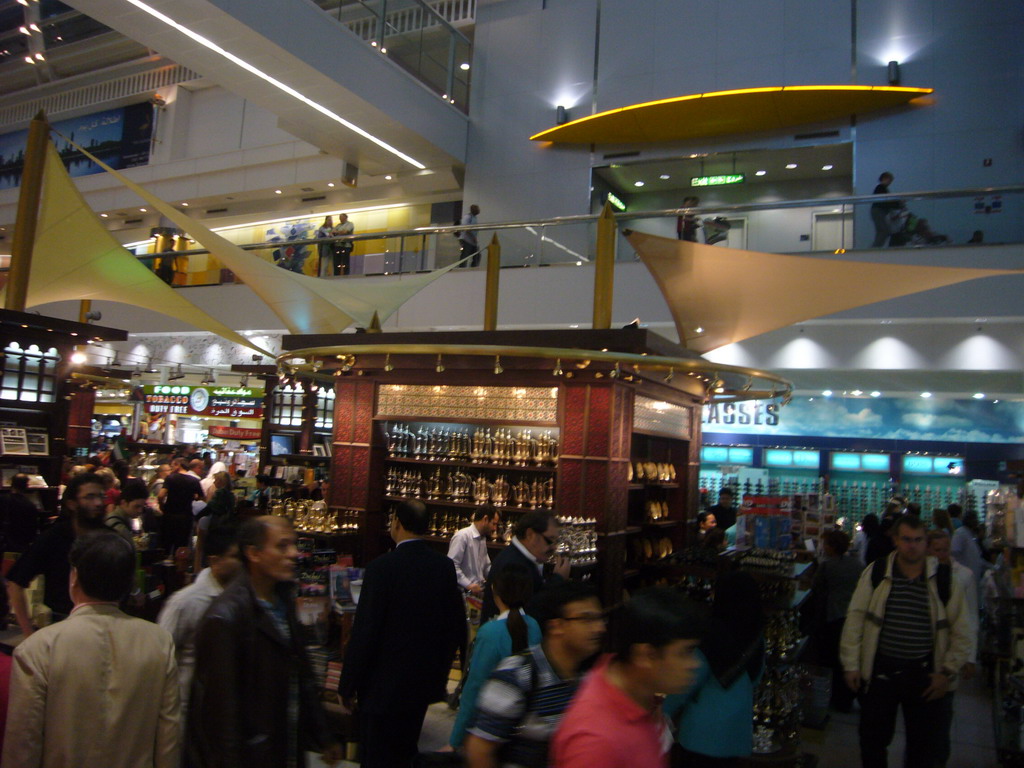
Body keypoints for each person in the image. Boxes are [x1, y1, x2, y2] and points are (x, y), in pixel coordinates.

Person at [2, 531, 180, 768]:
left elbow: (22, 748)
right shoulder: (159, 642)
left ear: (74, 577)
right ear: (129, 583)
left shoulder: (38, 648)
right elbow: (169, 741)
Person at [188, 516, 341, 768]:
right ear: (254, 554)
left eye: (293, 545)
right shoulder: (225, 616)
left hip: (283, 746)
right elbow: (220, 712)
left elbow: (301, 675)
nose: (293, 554)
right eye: (282, 546)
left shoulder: (283, 600)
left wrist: (323, 735)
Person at [339, 499, 466, 768]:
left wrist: (348, 683)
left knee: (376, 754)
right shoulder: (442, 567)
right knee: (406, 750)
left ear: (397, 523)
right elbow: (452, 625)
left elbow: (366, 631)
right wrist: (440, 675)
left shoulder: (381, 569)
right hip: (420, 683)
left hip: (381, 686)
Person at [840, 515, 973, 768]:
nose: (912, 546)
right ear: (896, 540)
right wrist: (851, 664)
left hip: (923, 675)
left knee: (922, 749)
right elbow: (855, 618)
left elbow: (961, 630)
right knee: (872, 743)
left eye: (918, 540)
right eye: (907, 539)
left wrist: (946, 672)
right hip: (881, 674)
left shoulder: (944, 580)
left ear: (925, 542)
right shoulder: (877, 573)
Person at [554, 587, 706, 768]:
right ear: (646, 655)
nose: (694, 664)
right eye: (685, 653)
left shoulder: (637, 695)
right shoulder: (596, 741)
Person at [465, 582, 604, 768]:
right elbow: (479, 751)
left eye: (599, 619)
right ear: (556, 626)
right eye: (586, 619)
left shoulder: (587, 678)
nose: (599, 628)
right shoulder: (517, 676)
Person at [663, 572, 763, 767]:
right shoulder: (756, 636)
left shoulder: (711, 636)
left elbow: (688, 679)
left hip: (702, 735)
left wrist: (665, 709)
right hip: (736, 733)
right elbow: (757, 677)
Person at [449, 563, 542, 751]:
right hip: (523, 724)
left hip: (489, 727)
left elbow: (474, 687)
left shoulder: (490, 632)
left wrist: (456, 740)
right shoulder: (533, 625)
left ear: (494, 590)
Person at [158, 522, 242, 729]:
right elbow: (162, 655)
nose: (242, 563)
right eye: (235, 557)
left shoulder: (241, 598)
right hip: (186, 712)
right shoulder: (186, 601)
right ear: (215, 561)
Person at [6, 473, 107, 637]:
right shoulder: (54, 537)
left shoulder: (110, 537)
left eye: (101, 496)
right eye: (89, 497)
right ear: (72, 504)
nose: (98, 503)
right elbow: (15, 583)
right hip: (62, 627)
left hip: (104, 627)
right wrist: (28, 633)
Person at [927, 529, 979, 768]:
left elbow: (970, 618)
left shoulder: (964, 576)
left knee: (942, 718)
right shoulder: (923, 573)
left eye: (944, 549)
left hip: (950, 656)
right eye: (936, 550)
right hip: (925, 656)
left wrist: (969, 657)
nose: (941, 554)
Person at [481, 509, 570, 621]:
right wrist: (558, 579)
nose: (554, 547)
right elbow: (529, 612)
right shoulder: (512, 564)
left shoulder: (524, 558)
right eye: (550, 541)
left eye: (556, 542)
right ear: (530, 534)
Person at [809, 530, 864, 712]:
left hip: (832, 616)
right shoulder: (857, 564)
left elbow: (816, 587)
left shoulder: (827, 566)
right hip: (853, 615)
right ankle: (847, 696)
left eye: (825, 544)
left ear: (831, 546)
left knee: (831, 658)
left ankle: (832, 697)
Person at [448, 506, 499, 596]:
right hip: (462, 593)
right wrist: (469, 585)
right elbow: (451, 566)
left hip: (477, 592)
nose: (495, 528)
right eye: (493, 524)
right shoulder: (462, 536)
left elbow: (487, 566)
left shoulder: (482, 539)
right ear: (485, 519)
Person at [159, 460, 203, 552]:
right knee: (181, 546)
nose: (171, 469)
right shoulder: (194, 480)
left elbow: (161, 495)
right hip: (186, 517)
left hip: (169, 515)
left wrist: (162, 506)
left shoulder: (170, 478)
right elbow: (202, 498)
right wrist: (193, 498)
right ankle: (179, 564)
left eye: (172, 467)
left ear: (178, 465)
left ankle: (164, 563)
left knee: (166, 544)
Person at [104, 477, 149, 543]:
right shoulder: (118, 526)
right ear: (124, 503)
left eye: (142, 507)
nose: (140, 510)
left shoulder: (121, 519)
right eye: (136, 506)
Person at [951, 509, 987, 585]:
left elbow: (976, 559)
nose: (976, 522)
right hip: (963, 581)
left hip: (971, 579)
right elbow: (954, 554)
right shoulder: (960, 533)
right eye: (974, 519)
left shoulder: (969, 535)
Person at [870, 171, 900, 247]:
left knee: (881, 231)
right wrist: (898, 204)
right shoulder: (881, 188)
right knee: (884, 231)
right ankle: (875, 248)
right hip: (878, 211)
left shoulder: (881, 188)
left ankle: (876, 248)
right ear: (885, 178)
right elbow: (886, 201)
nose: (890, 183)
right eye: (889, 180)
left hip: (879, 211)